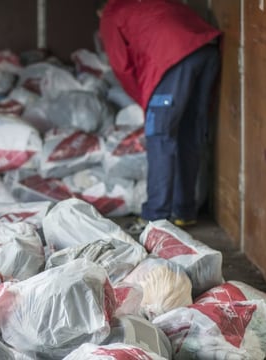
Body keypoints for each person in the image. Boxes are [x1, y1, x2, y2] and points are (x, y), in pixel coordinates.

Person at [97, 0, 221, 234]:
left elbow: (122, 67)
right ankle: (184, 212)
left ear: (99, 9)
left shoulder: (111, 13)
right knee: (188, 131)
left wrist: (146, 100)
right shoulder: (144, 5)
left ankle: (155, 216)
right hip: (206, 49)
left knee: (160, 135)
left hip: (173, 57)